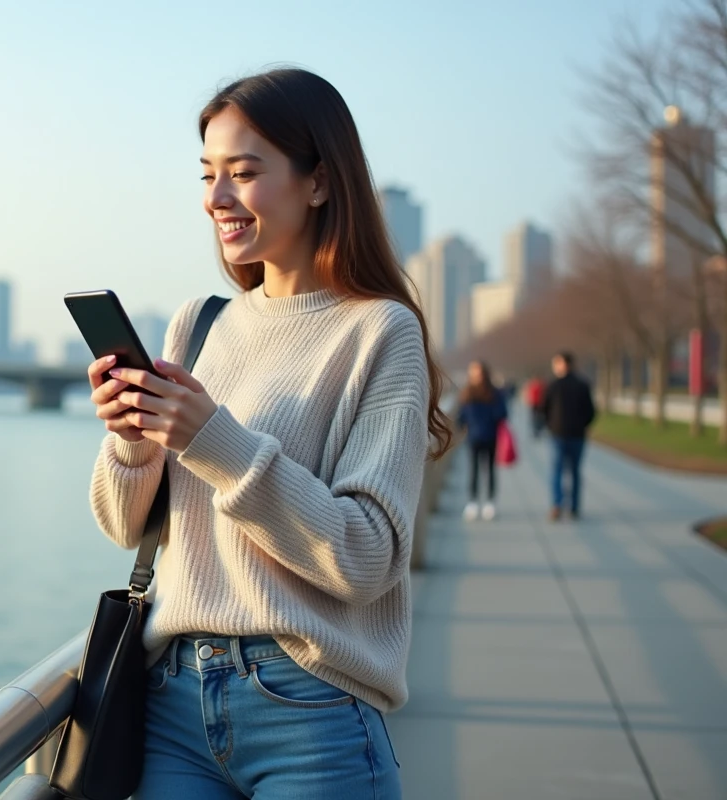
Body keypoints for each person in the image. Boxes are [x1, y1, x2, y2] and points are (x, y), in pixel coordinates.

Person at [85, 68, 451, 799]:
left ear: (318, 182)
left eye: (244, 173)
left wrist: (212, 440)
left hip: (310, 709)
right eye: (208, 174)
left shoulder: (380, 331)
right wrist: (133, 439)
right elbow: (125, 528)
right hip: (172, 705)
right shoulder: (199, 324)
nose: (216, 198)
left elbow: (367, 556)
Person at [541, 352, 596, 521]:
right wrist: (582, 425)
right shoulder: (582, 384)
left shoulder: (553, 385)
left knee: (557, 471)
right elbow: (591, 412)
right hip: (577, 434)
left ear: (563, 364)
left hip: (558, 434)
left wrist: (551, 425)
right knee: (575, 472)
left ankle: (557, 505)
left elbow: (544, 409)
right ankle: (574, 507)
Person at [456, 361, 507, 521]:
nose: (475, 376)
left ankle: (490, 502)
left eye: (477, 372)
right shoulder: (466, 392)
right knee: (473, 470)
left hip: (491, 436)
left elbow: (503, 413)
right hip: (473, 438)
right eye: (473, 372)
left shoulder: (495, 393)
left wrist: (491, 416)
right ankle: (472, 502)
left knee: (490, 470)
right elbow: (461, 416)